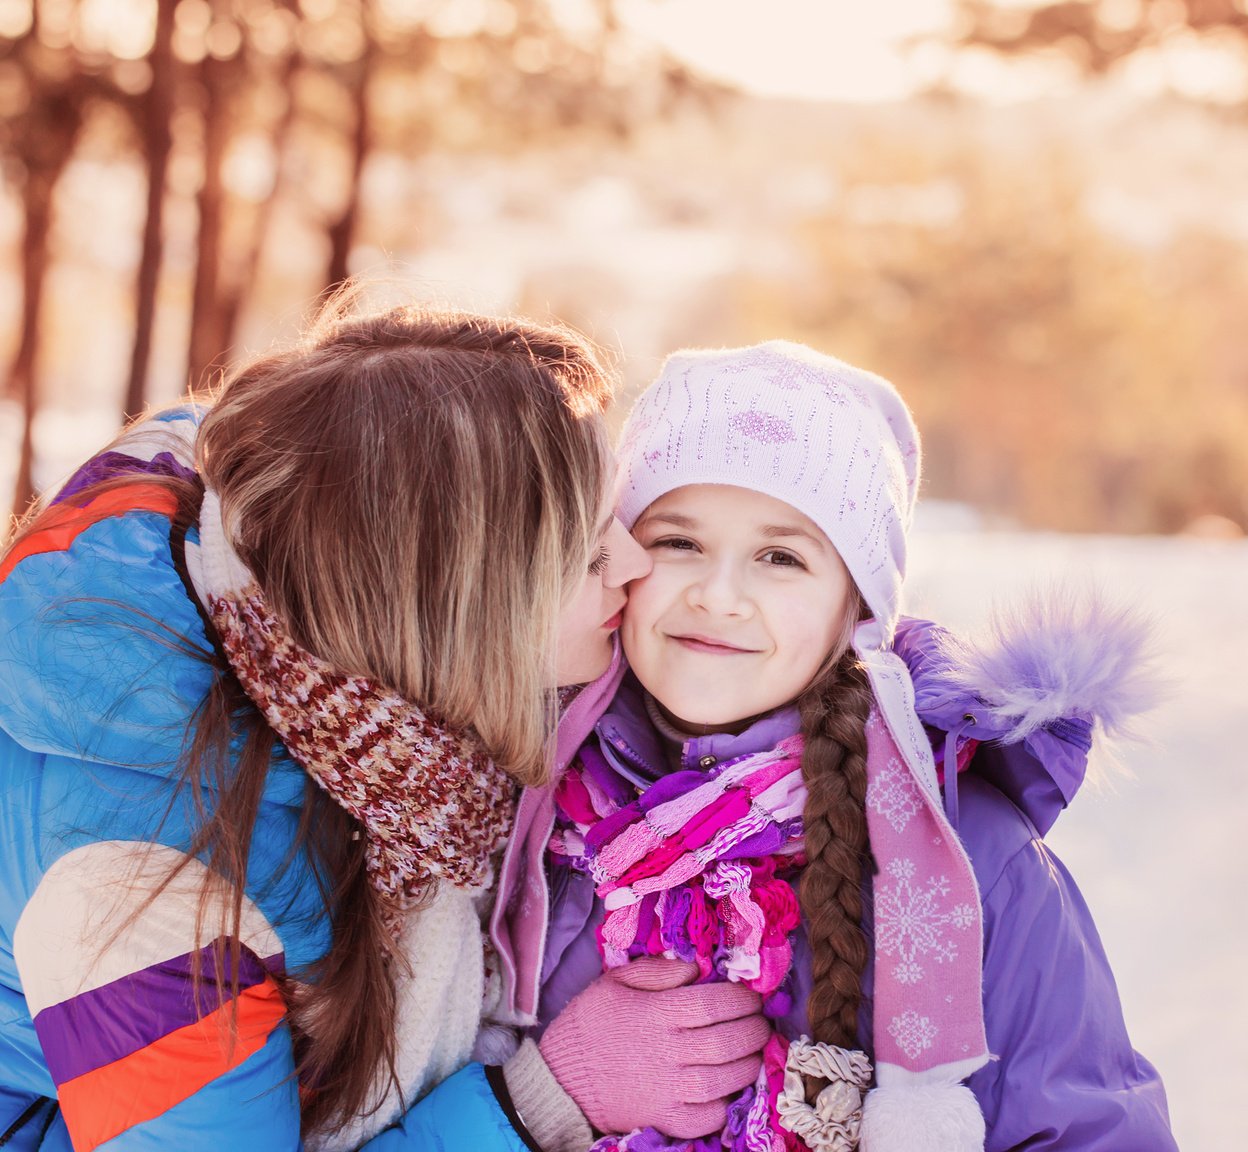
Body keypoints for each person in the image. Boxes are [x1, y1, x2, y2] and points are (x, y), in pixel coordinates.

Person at [0, 305, 760, 1151]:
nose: (635, 561)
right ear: (446, 613)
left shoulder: (292, 521)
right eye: (584, 555)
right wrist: (543, 1097)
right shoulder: (134, 894)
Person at [490, 341, 1179, 1151]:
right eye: (679, 541)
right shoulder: (526, 809)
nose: (719, 595)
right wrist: (546, 1090)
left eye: (780, 558)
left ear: (856, 609)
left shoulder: (968, 859)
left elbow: (1089, 1128)